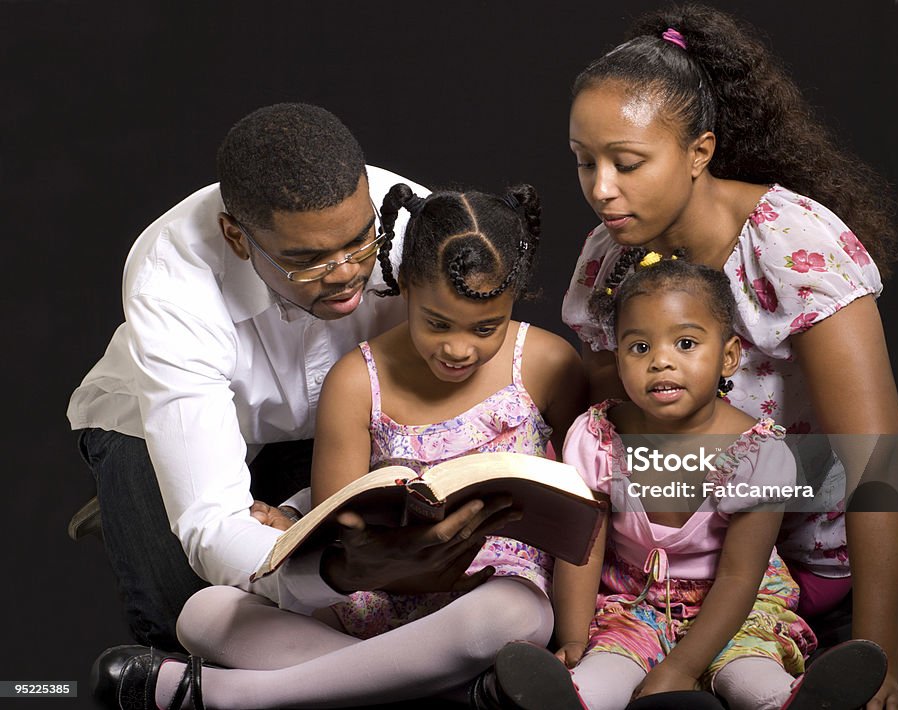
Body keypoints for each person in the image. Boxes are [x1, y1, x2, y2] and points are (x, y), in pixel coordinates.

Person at [92, 181, 589, 709]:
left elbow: (589, 491)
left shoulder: (549, 364)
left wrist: (578, 631)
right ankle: (462, 697)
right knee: (203, 612)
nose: (459, 348)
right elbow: (338, 521)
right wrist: (312, 524)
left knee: (514, 615)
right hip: (384, 587)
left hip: (490, 588)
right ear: (404, 289)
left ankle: (230, 696)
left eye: (486, 328)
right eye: (437, 323)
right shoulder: (357, 379)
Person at [560, 5, 898, 708]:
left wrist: (879, 662)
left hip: (799, 574)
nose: (601, 188)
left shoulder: (790, 247)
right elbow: (607, 427)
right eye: (584, 161)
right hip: (655, 579)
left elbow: (880, 457)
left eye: (627, 163)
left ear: (699, 151)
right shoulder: (608, 260)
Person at [68, 103, 515, 654]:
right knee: (182, 617)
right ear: (236, 237)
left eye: (359, 243)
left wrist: (309, 515)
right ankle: (145, 491)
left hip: (348, 419)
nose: (348, 273)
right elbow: (213, 522)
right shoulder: (171, 280)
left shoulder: (413, 224)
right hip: (166, 417)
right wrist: (338, 571)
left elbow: (471, 369)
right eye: (308, 260)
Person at [477, 256, 887, 710]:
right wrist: (574, 640)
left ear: (728, 356)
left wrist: (681, 670)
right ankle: (574, 698)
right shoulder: (597, 438)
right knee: (607, 666)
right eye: (639, 349)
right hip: (634, 601)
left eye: (686, 343)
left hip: (736, 608)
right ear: (618, 358)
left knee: (746, 671)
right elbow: (583, 550)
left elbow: (738, 578)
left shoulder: (756, 456)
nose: (661, 362)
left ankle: (792, 700)